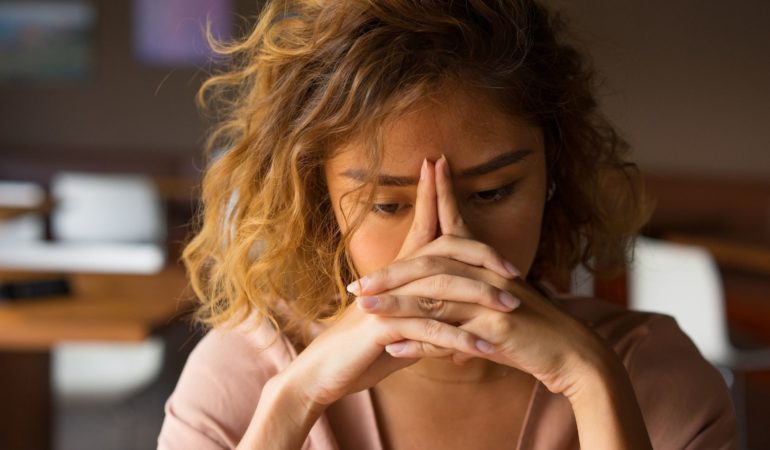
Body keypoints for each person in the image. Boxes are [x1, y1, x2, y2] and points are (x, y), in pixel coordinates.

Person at [158, 0, 739, 449]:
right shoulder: (244, 376)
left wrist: (591, 383)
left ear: (553, 177)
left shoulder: (654, 375)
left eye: (493, 191)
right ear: (320, 205)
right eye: (387, 204)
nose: (444, 246)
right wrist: (292, 403)